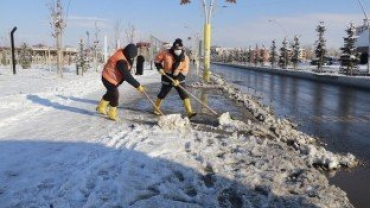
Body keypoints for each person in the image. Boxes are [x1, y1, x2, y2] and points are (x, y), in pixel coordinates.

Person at [96, 43, 145, 121]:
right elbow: (127, 76)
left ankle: (101, 107)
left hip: (110, 77)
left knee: (110, 93)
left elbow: (127, 68)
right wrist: (137, 86)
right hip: (108, 78)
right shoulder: (121, 61)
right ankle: (112, 113)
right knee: (115, 95)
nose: (132, 58)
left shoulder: (124, 54)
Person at [153, 38, 196, 118]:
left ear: (182, 48)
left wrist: (178, 80)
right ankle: (156, 109)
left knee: (184, 94)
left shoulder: (185, 58)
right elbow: (157, 61)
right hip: (167, 77)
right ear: (173, 47)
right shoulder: (165, 53)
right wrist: (160, 68)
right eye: (176, 48)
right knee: (163, 94)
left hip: (179, 78)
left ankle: (189, 112)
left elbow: (185, 70)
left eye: (179, 49)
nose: (177, 50)